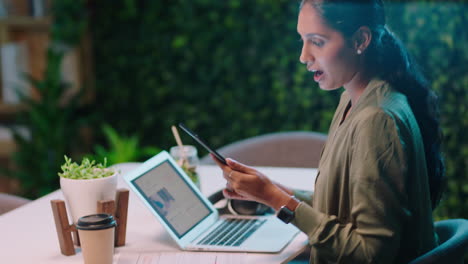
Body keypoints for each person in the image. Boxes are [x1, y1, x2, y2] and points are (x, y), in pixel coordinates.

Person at [211, 0, 445, 263]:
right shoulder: (353, 98)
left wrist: (277, 201)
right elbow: (343, 208)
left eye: (317, 42)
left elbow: (371, 253)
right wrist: (271, 191)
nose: (304, 56)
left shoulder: (377, 119)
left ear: (360, 40)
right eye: (302, 40)